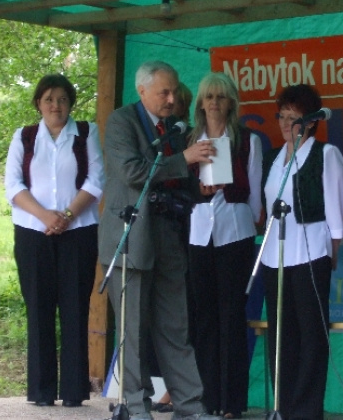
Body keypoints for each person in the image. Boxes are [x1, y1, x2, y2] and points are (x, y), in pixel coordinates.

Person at [98, 60, 221, 420]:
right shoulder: (122, 122)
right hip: (131, 238)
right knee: (133, 331)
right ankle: (136, 407)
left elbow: (176, 182)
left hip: (169, 237)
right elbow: (133, 172)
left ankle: (190, 407)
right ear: (142, 91)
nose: (171, 99)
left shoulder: (174, 127)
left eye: (174, 91)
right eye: (163, 92)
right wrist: (184, 158)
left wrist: (201, 190)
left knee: (175, 327)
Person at [3, 74, 104, 408]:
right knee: (39, 309)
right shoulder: (25, 137)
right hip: (33, 235)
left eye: (62, 99)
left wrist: (67, 216)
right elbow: (13, 186)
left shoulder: (86, 134)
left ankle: (74, 392)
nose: (55, 106)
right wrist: (46, 216)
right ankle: (41, 391)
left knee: (75, 309)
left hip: (79, 233)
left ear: (70, 104)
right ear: (38, 104)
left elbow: (96, 180)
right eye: (49, 99)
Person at [259, 84, 343, 420]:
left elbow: (337, 209)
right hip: (274, 255)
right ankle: (282, 405)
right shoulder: (272, 157)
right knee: (280, 335)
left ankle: (306, 410)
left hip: (311, 254)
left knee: (311, 335)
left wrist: (332, 251)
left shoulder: (325, 154)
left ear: (310, 122)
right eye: (282, 116)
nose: (285, 122)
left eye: (293, 117)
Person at [187, 72, 262, 419]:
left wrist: (234, 197)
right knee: (203, 319)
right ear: (200, 103)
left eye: (220, 96)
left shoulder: (247, 140)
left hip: (236, 234)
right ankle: (206, 398)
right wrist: (196, 192)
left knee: (232, 319)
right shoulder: (190, 140)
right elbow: (179, 187)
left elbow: (256, 195)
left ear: (231, 102)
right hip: (199, 236)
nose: (214, 102)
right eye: (209, 97)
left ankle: (232, 402)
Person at [151, 81, 193, 415]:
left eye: (178, 101)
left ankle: (184, 389)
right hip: (162, 233)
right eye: (168, 100)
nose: (172, 104)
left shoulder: (190, 137)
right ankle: (166, 386)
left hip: (192, 230)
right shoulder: (158, 136)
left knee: (186, 315)